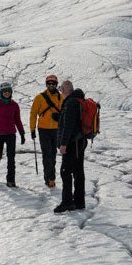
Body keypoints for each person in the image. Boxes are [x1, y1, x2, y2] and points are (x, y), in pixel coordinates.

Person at [54, 80, 88, 213]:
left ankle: (67, 202)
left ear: (67, 89)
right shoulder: (79, 100)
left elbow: (68, 126)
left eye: (61, 88)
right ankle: (79, 201)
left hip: (72, 143)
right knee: (78, 171)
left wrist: (63, 144)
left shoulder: (70, 102)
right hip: (81, 141)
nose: (60, 90)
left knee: (65, 171)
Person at [0, 82, 26, 187]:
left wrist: (22, 133)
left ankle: (11, 180)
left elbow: (18, 120)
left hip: (11, 134)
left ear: (11, 92)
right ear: (1, 92)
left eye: (8, 91)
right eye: (4, 91)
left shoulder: (14, 105)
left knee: (11, 157)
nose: (6, 93)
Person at [29, 74, 62, 188]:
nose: (51, 85)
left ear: (56, 85)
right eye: (49, 83)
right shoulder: (40, 98)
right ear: (46, 84)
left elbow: (65, 113)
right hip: (43, 129)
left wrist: (59, 117)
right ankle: (50, 178)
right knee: (47, 154)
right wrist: (32, 129)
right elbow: (33, 113)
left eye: (53, 83)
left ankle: (48, 177)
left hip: (56, 130)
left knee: (52, 155)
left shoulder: (61, 98)